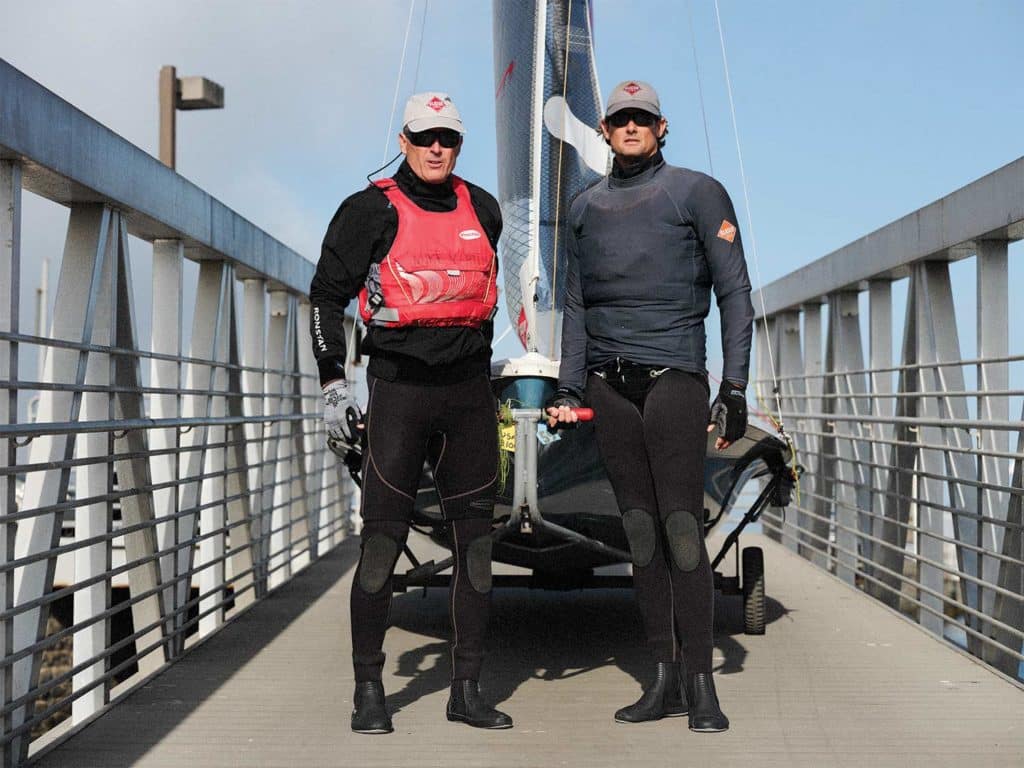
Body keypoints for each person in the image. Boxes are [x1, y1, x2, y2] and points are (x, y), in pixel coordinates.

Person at [546, 80, 753, 733]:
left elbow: (735, 292)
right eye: (620, 120)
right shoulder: (585, 207)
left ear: (661, 128)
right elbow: (577, 306)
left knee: (682, 531)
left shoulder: (695, 192)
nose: (631, 128)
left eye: (642, 120)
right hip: (609, 385)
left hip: (675, 379)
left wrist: (737, 385)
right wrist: (569, 387)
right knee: (639, 532)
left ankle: (702, 683)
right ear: (605, 131)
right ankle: (662, 678)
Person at [310, 92, 512, 734]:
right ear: (403, 139)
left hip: (468, 396)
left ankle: (467, 689)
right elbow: (325, 298)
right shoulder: (366, 211)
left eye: (447, 139)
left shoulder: (483, 207)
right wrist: (333, 386)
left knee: (476, 549)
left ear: (458, 145)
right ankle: (369, 689)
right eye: (424, 136)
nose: (435, 148)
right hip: (398, 394)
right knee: (380, 546)